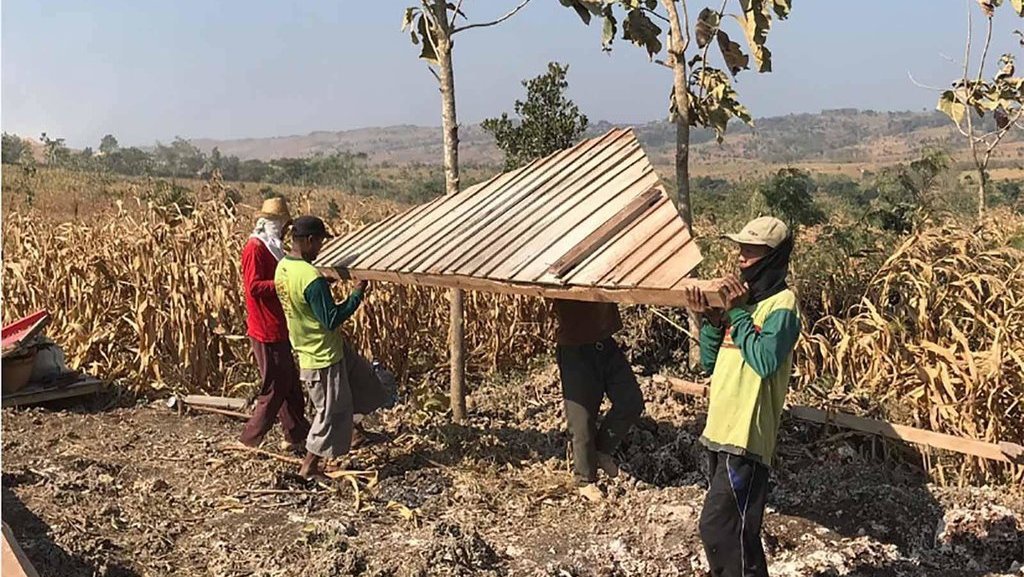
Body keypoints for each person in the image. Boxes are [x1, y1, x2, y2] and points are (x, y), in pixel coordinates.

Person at [681, 216, 801, 577]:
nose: (740, 258)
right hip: (719, 432)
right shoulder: (743, 304)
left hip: (746, 439)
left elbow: (765, 361)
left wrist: (735, 311)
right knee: (742, 534)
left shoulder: (782, 305)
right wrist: (712, 322)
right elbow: (709, 362)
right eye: (741, 248)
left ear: (771, 257)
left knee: (716, 529)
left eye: (750, 251)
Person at [274, 215, 386, 480]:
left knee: (364, 380)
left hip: (319, 348)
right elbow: (331, 318)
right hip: (321, 355)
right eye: (320, 243)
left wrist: (324, 286)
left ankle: (354, 429)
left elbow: (302, 296)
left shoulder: (284, 267)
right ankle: (309, 467)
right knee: (330, 412)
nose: (321, 248)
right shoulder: (310, 277)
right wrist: (357, 294)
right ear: (310, 241)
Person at [550, 299, 645, 502]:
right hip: (575, 349)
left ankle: (602, 450)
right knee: (581, 420)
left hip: (604, 343)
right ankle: (584, 479)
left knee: (630, 401)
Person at [238, 197, 311, 453]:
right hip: (265, 326)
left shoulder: (273, 247)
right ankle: (249, 439)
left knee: (289, 382)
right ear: (270, 223)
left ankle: (296, 436)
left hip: (278, 324)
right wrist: (284, 285)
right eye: (281, 225)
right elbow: (254, 287)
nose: (283, 230)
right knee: (276, 386)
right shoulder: (255, 248)